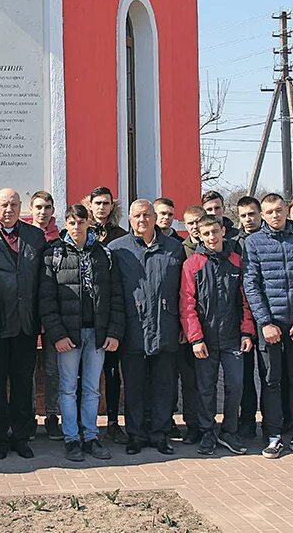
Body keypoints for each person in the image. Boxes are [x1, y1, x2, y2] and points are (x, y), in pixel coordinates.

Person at [39, 203, 124, 462]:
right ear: (65, 224)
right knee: (67, 388)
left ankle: (91, 436)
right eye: (72, 222)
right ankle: (71, 438)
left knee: (91, 389)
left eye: (81, 222)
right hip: (68, 336)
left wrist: (113, 332)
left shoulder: (104, 255)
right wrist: (57, 335)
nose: (77, 227)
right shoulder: (53, 254)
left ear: (89, 223)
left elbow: (116, 297)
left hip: (96, 334)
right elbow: (47, 300)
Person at [243, 193, 293, 460]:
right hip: (270, 326)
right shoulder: (253, 243)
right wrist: (264, 322)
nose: (275, 215)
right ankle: (273, 434)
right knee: (271, 380)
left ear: (287, 211)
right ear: (262, 215)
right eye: (269, 212)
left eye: (279, 210)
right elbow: (251, 284)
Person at [0, 188, 46, 459]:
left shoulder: (35, 237)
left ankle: (21, 436)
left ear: (21, 207)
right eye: (4, 204)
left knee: (22, 383)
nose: (9, 209)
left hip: (26, 324)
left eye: (14, 204)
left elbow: (43, 281)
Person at [108, 199, 185, 456]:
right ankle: (137, 435)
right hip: (133, 329)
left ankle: (160, 434)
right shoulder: (118, 250)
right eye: (136, 216)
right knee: (135, 387)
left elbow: (183, 292)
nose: (142, 220)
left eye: (146, 215)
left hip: (166, 326)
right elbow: (113, 294)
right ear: (128, 219)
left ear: (155, 218)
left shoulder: (174, 249)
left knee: (164, 386)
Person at [180, 214, 255, 456]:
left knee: (236, 385)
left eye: (215, 232)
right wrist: (196, 338)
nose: (212, 237)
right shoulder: (192, 264)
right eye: (206, 233)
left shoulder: (236, 262)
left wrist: (247, 332)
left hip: (233, 337)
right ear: (199, 236)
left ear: (223, 231)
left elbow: (245, 301)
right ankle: (207, 433)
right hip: (205, 340)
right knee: (205, 388)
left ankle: (228, 432)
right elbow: (187, 304)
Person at [87, 186, 128, 444]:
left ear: (112, 206)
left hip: (111, 312)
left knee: (112, 372)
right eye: (97, 203)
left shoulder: (121, 236)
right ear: (90, 205)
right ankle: (86, 423)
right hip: (85, 314)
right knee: (84, 375)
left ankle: (113, 422)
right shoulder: (81, 232)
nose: (102, 207)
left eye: (106, 203)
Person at [22, 190, 62, 440]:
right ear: (31, 209)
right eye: (38, 207)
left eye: (47, 207)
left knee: (52, 368)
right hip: (27, 311)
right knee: (25, 368)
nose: (43, 212)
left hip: (53, 313)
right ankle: (26, 416)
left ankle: (51, 415)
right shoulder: (23, 236)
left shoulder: (62, 239)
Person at [173, 204, 205, 443]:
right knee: (190, 380)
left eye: (198, 222)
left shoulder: (218, 248)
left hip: (213, 326)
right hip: (187, 328)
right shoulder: (178, 251)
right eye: (190, 223)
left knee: (208, 380)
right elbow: (178, 292)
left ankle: (209, 423)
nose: (194, 227)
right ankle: (192, 425)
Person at [234, 195, 263, 437]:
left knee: (269, 373)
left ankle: (276, 420)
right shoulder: (234, 242)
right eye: (243, 215)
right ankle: (247, 420)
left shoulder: (268, 239)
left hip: (265, 315)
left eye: (252, 214)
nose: (248, 219)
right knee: (244, 374)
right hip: (242, 317)